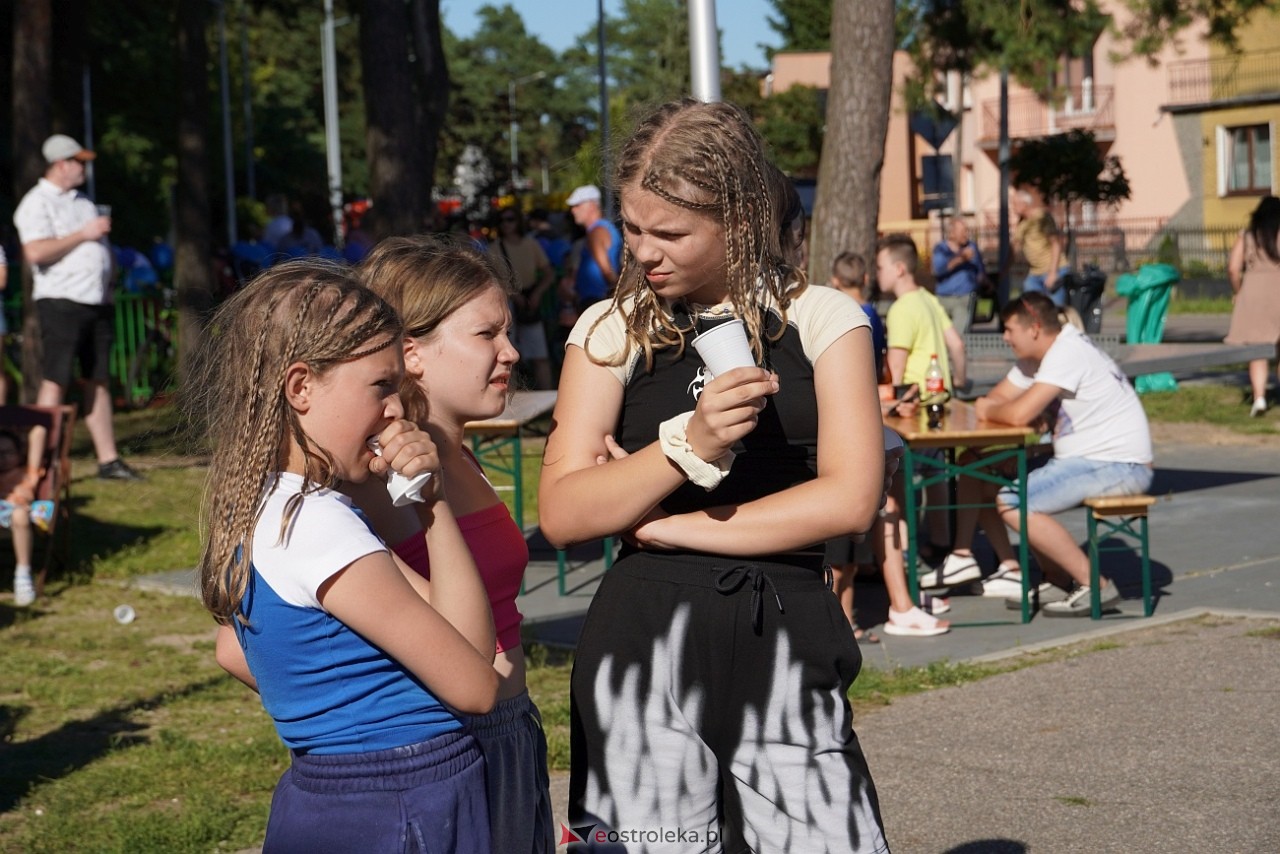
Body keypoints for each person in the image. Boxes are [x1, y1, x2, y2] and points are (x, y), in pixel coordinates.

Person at [539, 99, 888, 852]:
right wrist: (684, 445)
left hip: (783, 628)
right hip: (644, 637)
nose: (644, 253)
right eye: (632, 228)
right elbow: (564, 513)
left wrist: (667, 525)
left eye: (670, 234)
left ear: (740, 220)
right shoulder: (612, 327)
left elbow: (851, 497)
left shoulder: (823, 317)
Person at [194, 260, 499, 852]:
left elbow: (232, 650)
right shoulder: (317, 523)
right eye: (381, 385)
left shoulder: (275, 505)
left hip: (338, 795)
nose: (396, 410)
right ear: (300, 387)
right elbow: (476, 681)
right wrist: (433, 505)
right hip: (399, 800)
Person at [352, 235, 555, 854]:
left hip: (510, 730)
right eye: (486, 334)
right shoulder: (380, 476)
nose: (510, 351)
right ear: (412, 353)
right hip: (451, 744)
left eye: (507, 332)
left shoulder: (454, 453)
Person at [976, 292, 1154, 617]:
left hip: (1118, 464)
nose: (1004, 337)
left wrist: (991, 408)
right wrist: (998, 407)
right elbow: (1000, 399)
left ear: (1033, 328)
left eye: (1009, 329)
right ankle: (1057, 578)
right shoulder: (1040, 355)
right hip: (1090, 459)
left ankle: (1095, 585)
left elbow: (1014, 413)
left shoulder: (1066, 351)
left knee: (1013, 500)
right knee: (984, 479)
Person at [12, 134, 141, 481]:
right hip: (61, 301)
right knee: (55, 379)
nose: (84, 168)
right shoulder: (37, 202)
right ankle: (39, 462)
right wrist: (84, 234)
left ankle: (108, 460)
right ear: (60, 164)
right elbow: (35, 252)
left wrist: (109, 276)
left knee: (98, 379)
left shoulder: (83, 201)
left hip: (95, 301)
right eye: (78, 161)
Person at [878, 232, 967, 578]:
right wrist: (959, 380)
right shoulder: (928, 299)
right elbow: (956, 344)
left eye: (882, 267)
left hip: (912, 409)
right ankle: (940, 541)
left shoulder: (902, 308)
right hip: (939, 402)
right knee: (936, 473)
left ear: (899, 268)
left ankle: (905, 550)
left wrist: (889, 401)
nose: (878, 274)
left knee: (900, 477)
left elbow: (896, 368)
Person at [487, 207, 555, 390]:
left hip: (529, 300)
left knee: (540, 354)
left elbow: (549, 272)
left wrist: (537, 293)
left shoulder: (531, 244)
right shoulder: (494, 248)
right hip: (506, 304)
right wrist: (513, 295)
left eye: (510, 219)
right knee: (508, 356)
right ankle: (511, 396)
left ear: (518, 221)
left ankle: (549, 396)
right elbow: (492, 279)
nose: (506, 224)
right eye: (502, 220)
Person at [1225, 195, 1280, 417]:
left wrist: (1239, 292)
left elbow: (1233, 269)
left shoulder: (1247, 235)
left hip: (1255, 293)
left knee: (1257, 350)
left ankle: (1259, 399)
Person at [0, 427, 54, 607]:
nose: (3, 458)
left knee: (20, 514)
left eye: (8, 453)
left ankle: (22, 574)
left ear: (20, 453)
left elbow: (39, 431)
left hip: (18, 513)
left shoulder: (28, 473)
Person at [565, 184, 621, 309]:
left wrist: (620, 294)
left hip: (596, 302)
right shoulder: (602, 228)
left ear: (591, 205)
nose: (573, 210)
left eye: (577, 205)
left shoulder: (596, 232)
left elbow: (607, 271)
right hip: (598, 301)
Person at [1012, 187, 1069, 307]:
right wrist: (1004, 270)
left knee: (1054, 308)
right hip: (1035, 272)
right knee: (1030, 307)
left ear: (1024, 204)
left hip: (1053, 270)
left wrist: (1053, 273)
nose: (1013, 207)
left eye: (1015, 204)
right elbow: (1014, 248)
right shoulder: (1022, 224)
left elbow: (1055, 244)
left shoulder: (1042, 217)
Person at [931, 216, 986, 334]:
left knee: (961, 321)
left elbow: (980, 270)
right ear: (952, 234)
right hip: (945, 297)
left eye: (967, 231)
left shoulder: (972, 247)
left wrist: (983, 281)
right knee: (939, 328)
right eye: (963, 231)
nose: (966, 235)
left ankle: (956, 342)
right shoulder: (941, 249)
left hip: (965, 297)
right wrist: (961, 259)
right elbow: (938, 270)